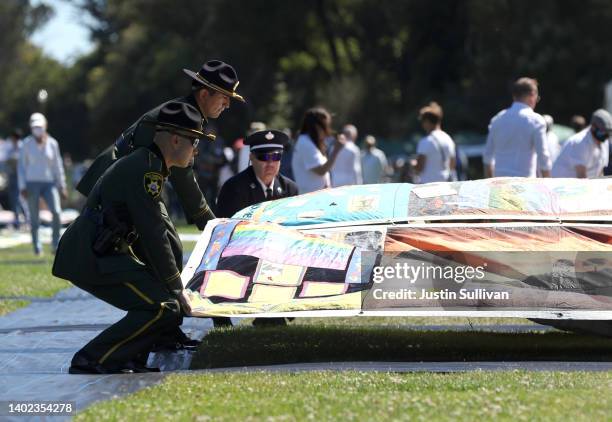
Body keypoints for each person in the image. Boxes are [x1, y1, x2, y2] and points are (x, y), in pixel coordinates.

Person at [52, 102, 202, 374]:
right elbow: (153, 233)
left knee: (165, 304)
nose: (197, 149)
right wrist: (176, 288)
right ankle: (93, 358)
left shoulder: (150, 164)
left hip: (105, 253)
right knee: (163, 306)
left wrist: (171, 285)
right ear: (176, 139)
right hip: (90, 256)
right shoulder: (145, 171)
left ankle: (130, 358)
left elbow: (160, 235)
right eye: (194, 141)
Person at [76, 59, 245, 231]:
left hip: (116, 179)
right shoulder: (185, 118)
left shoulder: (186, 111)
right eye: (224, 97)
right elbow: (183, 175)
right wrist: (208, 221)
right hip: (114, 185)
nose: (227, 105)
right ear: (203, 95)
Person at [215, 130, 299, 328]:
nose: (270, 163)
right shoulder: (234, 188)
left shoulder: (289, 189)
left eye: (276, 157)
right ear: (251, 157)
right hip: (239, 253)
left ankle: (272, 316)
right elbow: (224, 233)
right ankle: (221, 318)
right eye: (263, 157)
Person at [483, 77, 551, 178]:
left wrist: (490, 183)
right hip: (525, 184)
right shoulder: (536, 120)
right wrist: (548, 185)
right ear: (532, 96)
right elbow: (543, 157)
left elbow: (487, 157)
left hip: (499, 184)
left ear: (514, 96)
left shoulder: (496, 119)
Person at [18, 113, 67, 255]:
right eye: (34, 127)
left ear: (45, 126)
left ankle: (55, 243)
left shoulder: (52, 143)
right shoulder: (26, 144)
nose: (37, 130)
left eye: (39, 127)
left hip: (49, 183)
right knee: (34, 216)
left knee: (56, 212)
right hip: (31, 183)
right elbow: (21, 167)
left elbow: (57, 166)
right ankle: (36, 246)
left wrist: (62, 185)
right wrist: (22, 187)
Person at [291, 107, 345, 193]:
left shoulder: (309, 142)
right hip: (311, 199)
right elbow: (321, 170)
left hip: (316, 197)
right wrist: (336, 150)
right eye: (326, 125)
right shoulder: (305, 143)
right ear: (317, 126)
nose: (328, 130)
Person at [551, 109, 612, 178]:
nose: (606, 135)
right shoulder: (580, 142)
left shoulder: (604, 142)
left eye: (608, 133)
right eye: (603, 132)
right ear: (593, 127)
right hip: (564, 185)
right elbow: (581, 177)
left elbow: (600, 171)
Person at [414, 102, 456, 183]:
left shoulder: (425, 141)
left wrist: (413, 165)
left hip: (429, 186)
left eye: (423, 121)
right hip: (446, 185)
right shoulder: (448, 138)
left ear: (427, 122)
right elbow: (452, 165)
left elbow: (419, 168)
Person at [5, 129, 29, 229]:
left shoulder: (22, 146)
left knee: (21, 199)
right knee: (13, 199)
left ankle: (27, 219)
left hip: (21, 176)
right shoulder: (10, 148)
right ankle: (17, 221)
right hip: (12, 175)